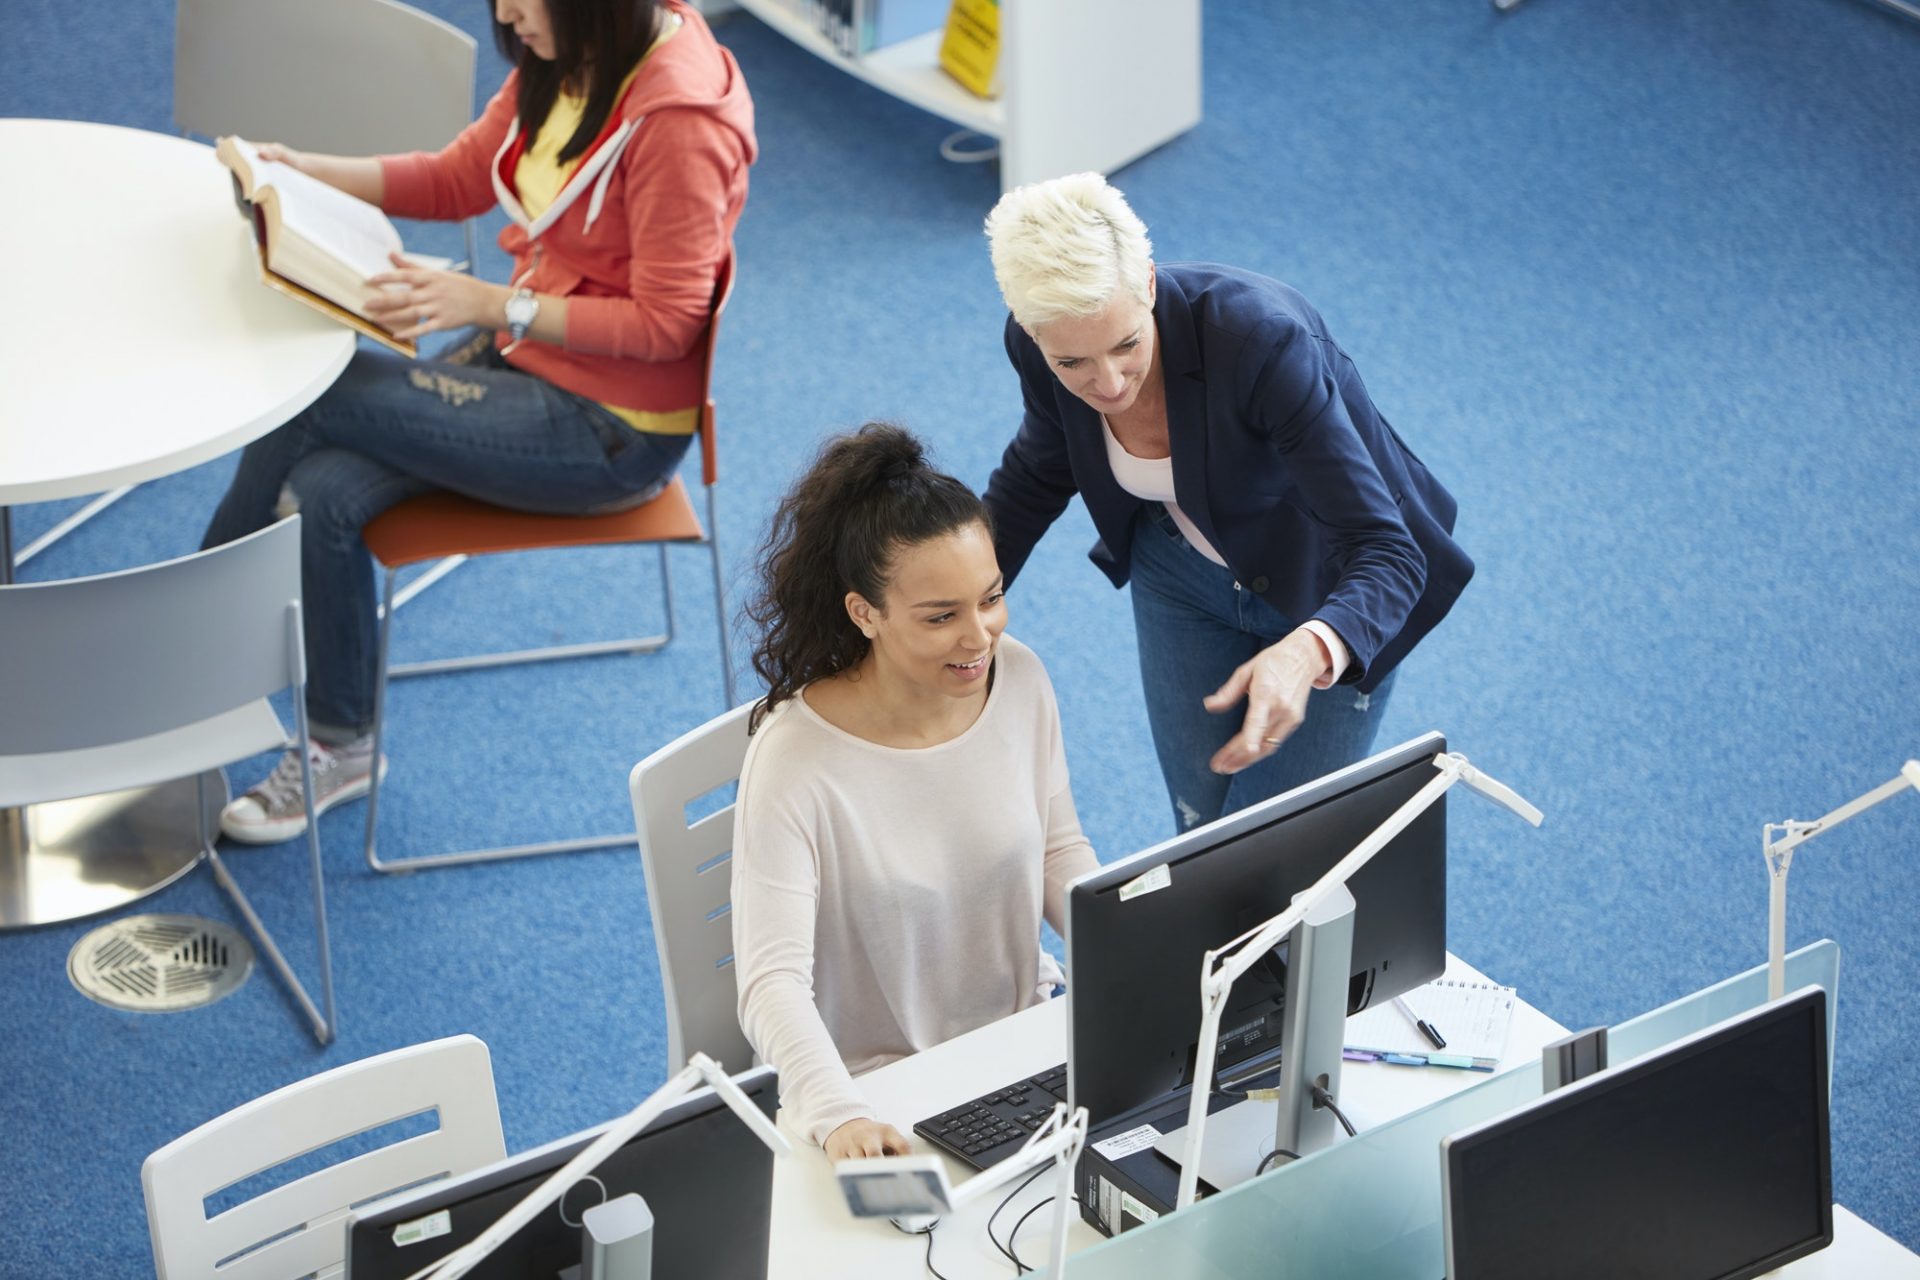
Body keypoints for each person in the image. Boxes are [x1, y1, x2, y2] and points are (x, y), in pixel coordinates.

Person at [203, 0, 755, 843]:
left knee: (315, 391)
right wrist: (298, 172)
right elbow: (460, 174)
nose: (505, 13)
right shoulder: (571, 51)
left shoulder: (678, 125)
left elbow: (667, 325)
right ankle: (340, 742)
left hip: (610, 428)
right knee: (323, 488)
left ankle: (192, 662)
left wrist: (497, 303)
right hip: (526, 357)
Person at [980, 173, 1473, 834]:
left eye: (1127, 344)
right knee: (1200, 830)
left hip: (1325, 584)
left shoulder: (1259, 341)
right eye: (1073, 364)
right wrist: (952, 604)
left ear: (1149, 284)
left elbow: (1389, 551)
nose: (1108, 382)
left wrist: (1307, 651)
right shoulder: (1036, 347)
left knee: (1274, 853)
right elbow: (1039, 472)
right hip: (1178, 580)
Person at [731, 424, 1100, 1159]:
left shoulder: (1019, 677)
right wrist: (839, 1115)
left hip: (1025, 1054)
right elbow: (770, 983)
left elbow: (1060, 852)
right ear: (864, 613)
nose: (980, 637)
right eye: (941, 617)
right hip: (880, 1094)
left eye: (990, 599)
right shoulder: (794, 760)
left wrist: (1138, 952)